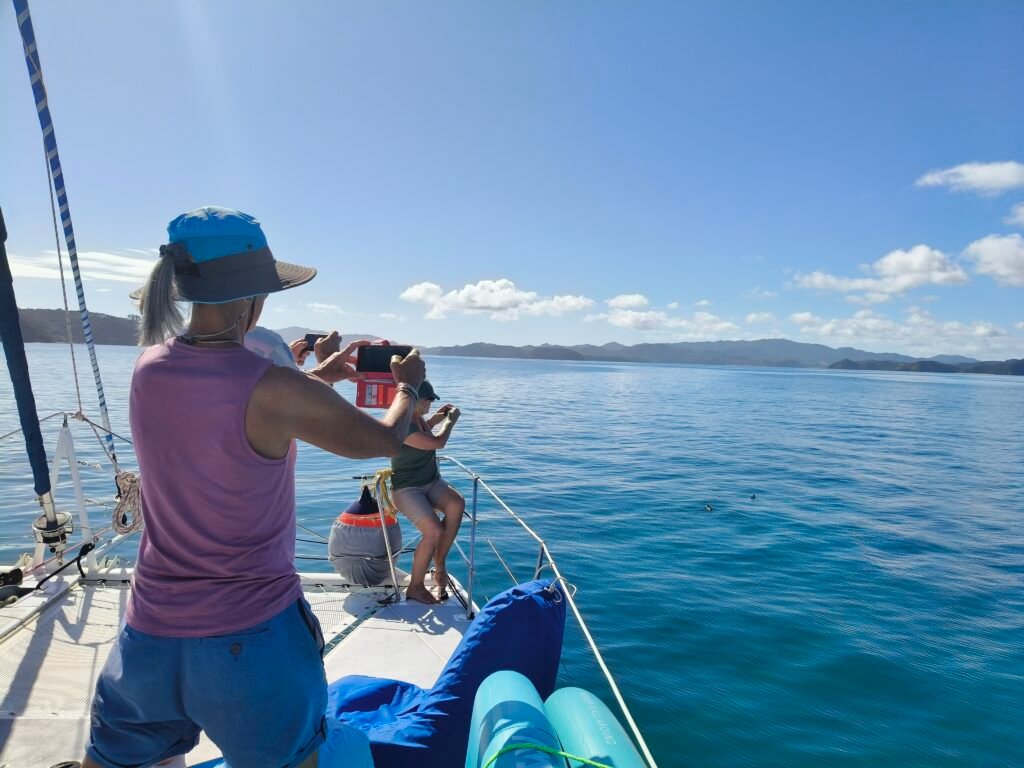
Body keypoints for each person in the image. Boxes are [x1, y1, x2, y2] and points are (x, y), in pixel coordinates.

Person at [82, 206, 425, 768]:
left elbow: (227, 402)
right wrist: (408, 388)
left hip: (149, 639)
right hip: (252, 642)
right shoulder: (276, 389)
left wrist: (316, 378)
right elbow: (383, 440)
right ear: (255, 295)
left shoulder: (150, 369)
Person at [390, 379, 465, 605]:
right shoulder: (403, 426)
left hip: (431, 481)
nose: (432, 402)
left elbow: (426, 426)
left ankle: (439, 564)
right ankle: (415, 587)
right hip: (407, 489)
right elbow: (437, 443)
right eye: (429, 399)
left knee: (456, 504)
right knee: (433, 531)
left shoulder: (416, 418)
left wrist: (438, 418)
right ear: (414, 400)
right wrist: (450, 422)